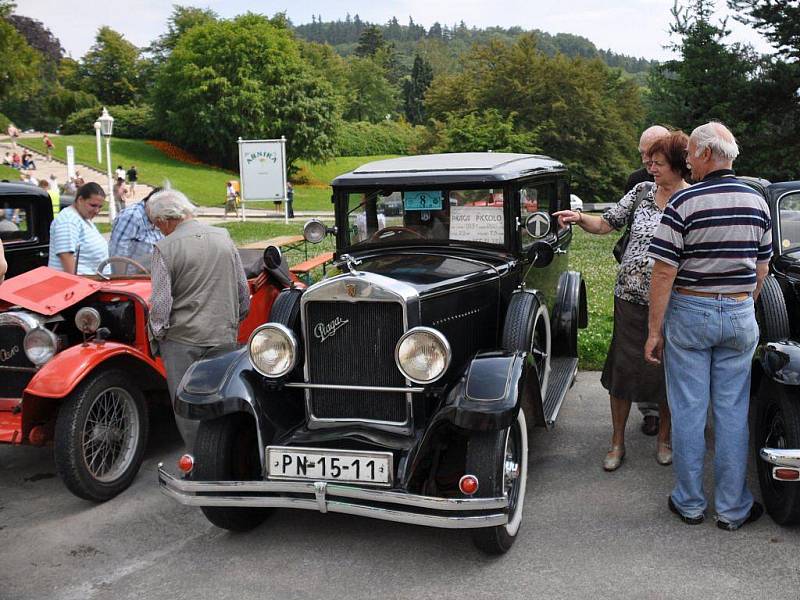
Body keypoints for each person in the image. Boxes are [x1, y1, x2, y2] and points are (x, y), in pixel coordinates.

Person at [645, 122, 771, 530]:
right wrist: (740, 304)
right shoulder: (757, 202)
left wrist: (654, 331)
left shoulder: (684, 202)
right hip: (737, 314)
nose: (689, 164)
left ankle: (690, 503)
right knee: (733, 412)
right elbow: (762, 267)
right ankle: (733, 509)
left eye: (691, 157)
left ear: (702, 155)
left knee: (689, 410)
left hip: (691, 313)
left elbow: (663, 272)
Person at [554, 131, 691, 471]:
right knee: (623, 371)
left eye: (657, 163)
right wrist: (580, 218)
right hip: (629, 298)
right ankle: (617, 443)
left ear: (676, 166)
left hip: (675, 301)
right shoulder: (642, 191)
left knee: (667, 373)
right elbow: (606, 224)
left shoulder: (692, 199)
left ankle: (664, 439)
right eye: (649, 161)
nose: (650, 167)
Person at [147, 188, 250, 449]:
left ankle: (197, 459)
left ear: (164, 220)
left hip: (183, 339)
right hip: (222, 333)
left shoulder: (165, 248)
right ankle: (225, 455)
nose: (159, 229)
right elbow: (242, 290)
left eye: (156, 224)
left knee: (187, 404)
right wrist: (233, 320)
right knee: (222, 397)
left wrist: (158, 334)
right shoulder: (223, 237)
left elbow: (160, 304)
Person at [626, 125, 670, 436]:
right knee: (641, 349)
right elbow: (622, 222)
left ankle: (674, 414)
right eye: (643, 156)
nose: (647, 163)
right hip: (637, 281)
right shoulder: (636, 183)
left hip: (675, 285)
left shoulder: (688, 183)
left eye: (652, 155)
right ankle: (650, 411)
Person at [48, 182, 109, 275]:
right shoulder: (68, 220)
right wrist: (77, 286)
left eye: (100, 207)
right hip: (76, 286)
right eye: (93, 205)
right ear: (80, 200)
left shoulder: (83, 218)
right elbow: (66, 255)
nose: (97, 211)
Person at [109, 187, 164, 273]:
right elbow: (118, 254)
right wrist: (121, 282)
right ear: (151, 205)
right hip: (132, 279)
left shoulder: (155, 218)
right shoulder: (132, 216)